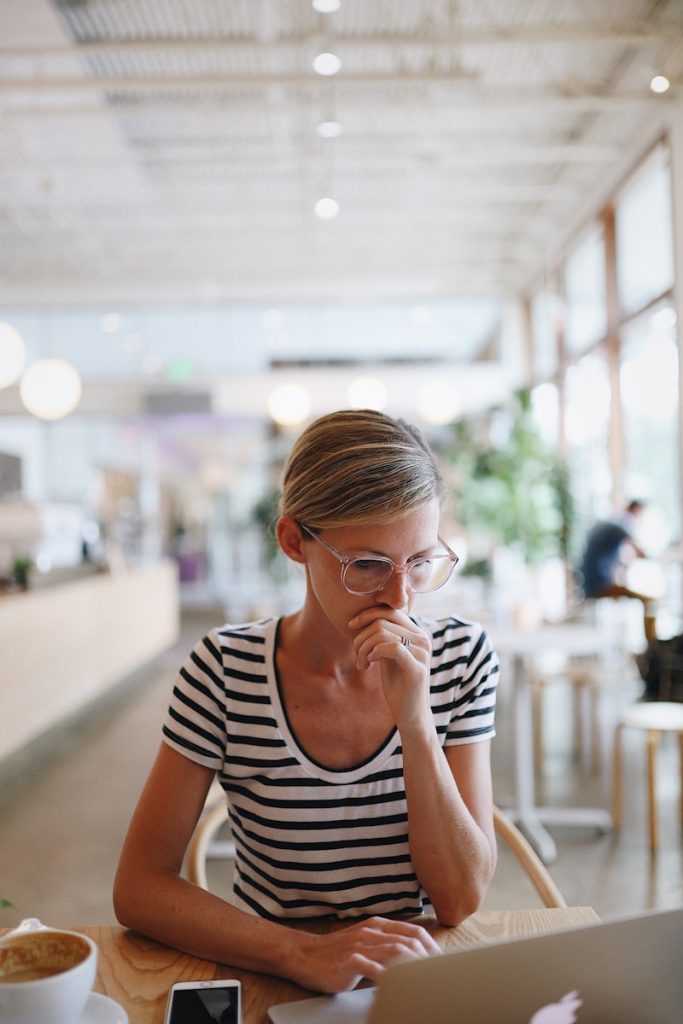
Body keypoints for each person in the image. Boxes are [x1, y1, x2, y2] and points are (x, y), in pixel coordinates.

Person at [113, 409, 499, 994]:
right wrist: (300, 952)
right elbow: (139, 885)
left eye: (419, 562)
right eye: (366, 564)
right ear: (294, 541)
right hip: (272, 972)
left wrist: (416, 723)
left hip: (410, 975)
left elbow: (459, 900)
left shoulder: (460, 657)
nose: (400, 597)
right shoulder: (224, 670)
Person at [578, 499, 656, 642]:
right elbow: (639, 551)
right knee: (649, 600)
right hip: (599, 585)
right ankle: (652, 647)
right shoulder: (624, 523)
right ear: (636, 511)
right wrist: (656, 557)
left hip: (590, 583)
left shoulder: (610, 523)